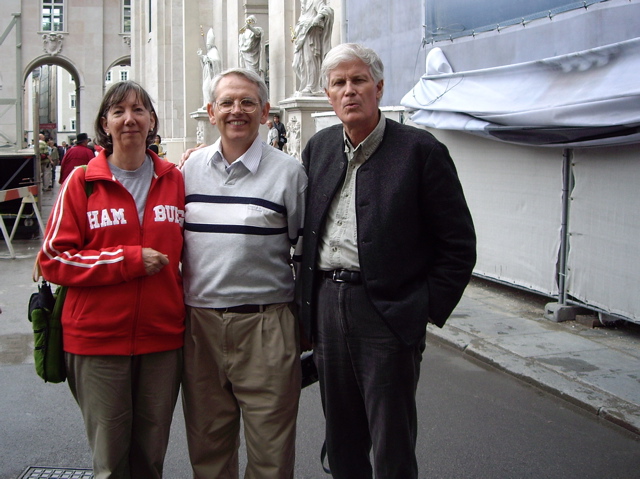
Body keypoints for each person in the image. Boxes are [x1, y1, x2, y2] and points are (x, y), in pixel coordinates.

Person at [298, 43, 477, 479]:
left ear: (378, 87)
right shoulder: (319, 148)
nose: (349, 91)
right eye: (338, 83)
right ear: (327, 94)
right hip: (326, 305)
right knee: (341, 437)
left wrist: (421, 309)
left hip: (387, 313)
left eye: (358, 80)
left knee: (391, 439)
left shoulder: (420, 151)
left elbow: (458, 244)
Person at [39, 80, 186, 479]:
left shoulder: (176, 180)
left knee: (151, 458)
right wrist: (128, 260)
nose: (129, 120)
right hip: (97, 343)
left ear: (152, 120)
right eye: (119, 112)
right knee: (111, 462)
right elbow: (53, 259)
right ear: (105, 123)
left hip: (162, 340)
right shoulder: (82, 182)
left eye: (139, 110)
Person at [180, 68, 306, 479]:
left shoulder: (289, 173)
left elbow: (303, 252)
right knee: (208, 451)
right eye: (228, 102)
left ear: (266, 112)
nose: (237, 110)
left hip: (266, 327)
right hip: (199, 328)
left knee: (271, 457)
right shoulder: (187, 171)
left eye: (248, 102)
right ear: (211, 111)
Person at [292, 0, 334, 95]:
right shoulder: (303, 5)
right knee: (296, 64)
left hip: (311, 34)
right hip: (301, 35)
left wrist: (317, 18)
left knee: (309, 60)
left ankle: (311, 86)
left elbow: (326, 10)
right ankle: (306, 83)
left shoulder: (315, 1)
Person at [198, 28, 223, 109]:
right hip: (207, 74)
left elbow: (217, 61)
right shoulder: (209, 52)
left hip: (211, 75)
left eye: (208, 44)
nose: (207, 45)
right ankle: (207, 103)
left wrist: (209, 60)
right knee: (205, 88)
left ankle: (209, 103)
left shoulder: (214, 51)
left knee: (207, 88)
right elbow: (206, 61)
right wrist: (202, 57)